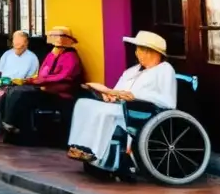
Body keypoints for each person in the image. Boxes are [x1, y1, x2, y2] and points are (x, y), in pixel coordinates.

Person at [67, 31, 177, 165]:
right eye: (137, 50)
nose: (137, 53)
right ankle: (78, 147)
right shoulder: (131, 71)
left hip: (143, 112)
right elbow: (116, 90)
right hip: (120, 106)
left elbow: (168, 101)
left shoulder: (165, 70)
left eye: (141, 50)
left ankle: (94, 152)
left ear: (153, 52)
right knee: (83, 104)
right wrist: (110, 95)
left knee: (104, 112)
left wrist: (136, 97)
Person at [0, 26, 83, 141]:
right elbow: (43, 71)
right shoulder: (51, 54)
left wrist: (37, 81)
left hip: (58, 93)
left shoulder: (71, 57)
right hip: (42, 87)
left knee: (19, 93)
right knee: (9, 91)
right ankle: (4, 123)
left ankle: (9, 122)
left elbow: (63, 77)